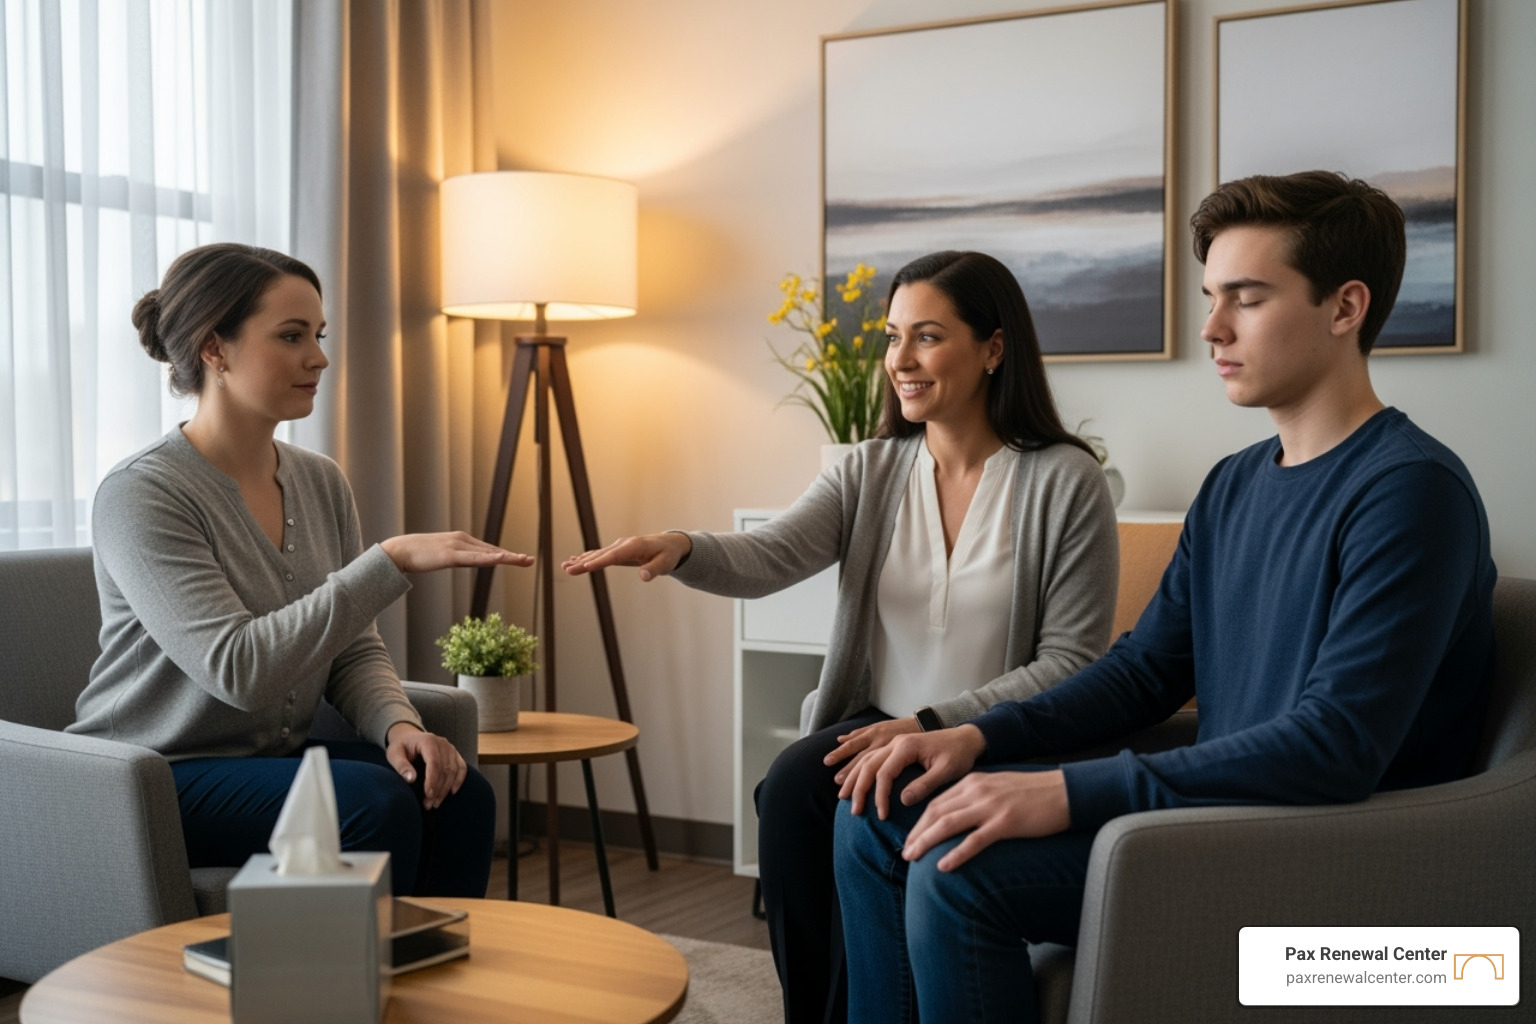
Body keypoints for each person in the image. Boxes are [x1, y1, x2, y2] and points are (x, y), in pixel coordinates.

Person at [834, 171, 1498, 1024]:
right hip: (1222, 818)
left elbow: (1335, 746)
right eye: (1212, 296)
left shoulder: (1411, 492)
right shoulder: (1233, 486)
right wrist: (969, 736)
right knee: (876, 814)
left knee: (963, 874)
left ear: (1345, 308)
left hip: (1322, 851)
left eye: (1247, 300)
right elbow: (1145, 671)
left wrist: (1068, 790)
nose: (1211, 328)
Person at [564, 250, 1120, 1023]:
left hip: (992, 739)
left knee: (852, 802)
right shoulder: (872, 469)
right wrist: (683, 547)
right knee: (792, 791)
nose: (901, 360)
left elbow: (1071, 663)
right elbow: (772, 553)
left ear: (994, 348)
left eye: (927, 336)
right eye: (893, 337)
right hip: (881, 721)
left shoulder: (1065, 481)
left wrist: (938, 726)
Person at [68, 243, 533, 897]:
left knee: (459, 795)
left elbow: (350, 645)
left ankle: (433, 991)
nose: (318, 357)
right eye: (291, 336)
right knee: (373, 802)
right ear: (214, 348)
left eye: (317, 334)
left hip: (267, 763)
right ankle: (353, 993)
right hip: (149, 773)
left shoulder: (318, 480)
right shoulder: (143, 493)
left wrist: (400, 725)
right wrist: (388, 561)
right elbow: (240, 670)